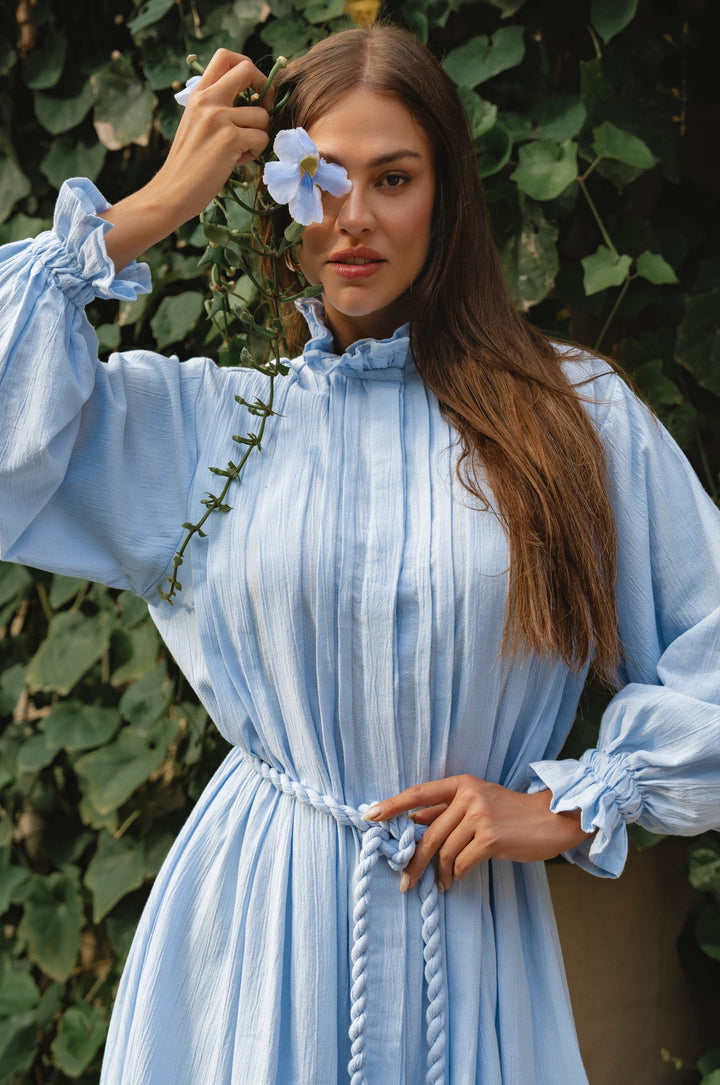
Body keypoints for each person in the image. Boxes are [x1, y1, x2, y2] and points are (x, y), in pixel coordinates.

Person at [1, 22, 719, 1085]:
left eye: (394, 177)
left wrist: (572, 802)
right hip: (249, 952)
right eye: (322, 178)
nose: (353, 218)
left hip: (471, 939)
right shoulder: (204, 432)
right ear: (272, 196)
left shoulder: (574, 421)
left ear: (449, 195)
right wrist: (143, 212)